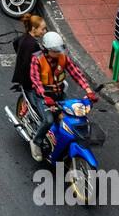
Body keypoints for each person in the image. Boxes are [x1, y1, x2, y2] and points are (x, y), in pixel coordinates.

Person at [28, 31, 96, 161]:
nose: (59, 53)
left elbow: (75, 73)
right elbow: (35, 80)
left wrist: (89, 91)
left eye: (60, 49)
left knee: (74, 115)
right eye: (55, 50)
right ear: (45, 49)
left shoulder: (63, 57)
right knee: (48, 120)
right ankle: (36, 142)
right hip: (42, 96)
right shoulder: (37, 59)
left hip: (59, 94)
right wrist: (44, 95)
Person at [12, 12, 47, 94]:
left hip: (21, 74)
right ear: (34, 29)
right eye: (42, 29)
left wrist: (20, 54)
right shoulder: (32, 45)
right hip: (28, 79)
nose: (45, 31)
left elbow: (15, 43)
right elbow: (36, 61)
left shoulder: (24, 37)